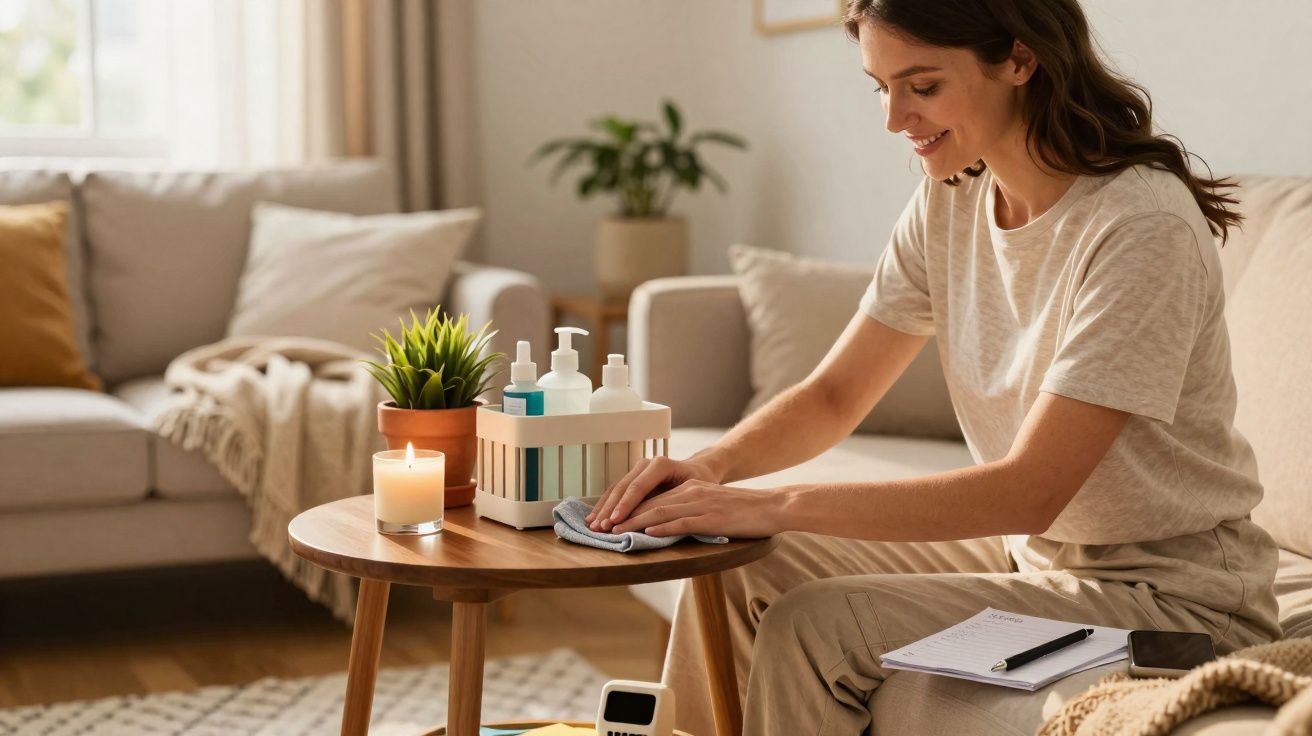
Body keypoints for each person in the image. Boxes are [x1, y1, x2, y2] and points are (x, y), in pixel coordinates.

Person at [585, 0, 1280, 733]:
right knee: (736, 567)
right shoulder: (952, 197)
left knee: (816, 623)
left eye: (922, 86)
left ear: (1019, 59)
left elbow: (1029, 491)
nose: (894, 119)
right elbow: (835, 395)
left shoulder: (1140, 226)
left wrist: (775, 503)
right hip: (1039, 564)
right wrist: (710, 470)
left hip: (1177, 600)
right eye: (880, 87)